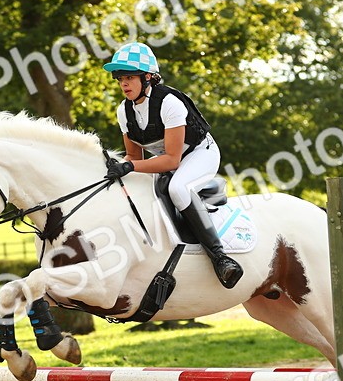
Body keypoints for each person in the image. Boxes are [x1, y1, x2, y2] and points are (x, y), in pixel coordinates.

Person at [102, 42, 243, 289]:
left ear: (147, 78)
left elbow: (172, 160)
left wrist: (131, 167)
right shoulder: (124, 111)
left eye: (129, 78)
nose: (123, 84)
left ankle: (220, 258)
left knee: (178, 188)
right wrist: (118, 169)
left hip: (198, 154)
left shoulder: (169, 102)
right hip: (165, 160)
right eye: (120, 79)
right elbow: (133, 155)